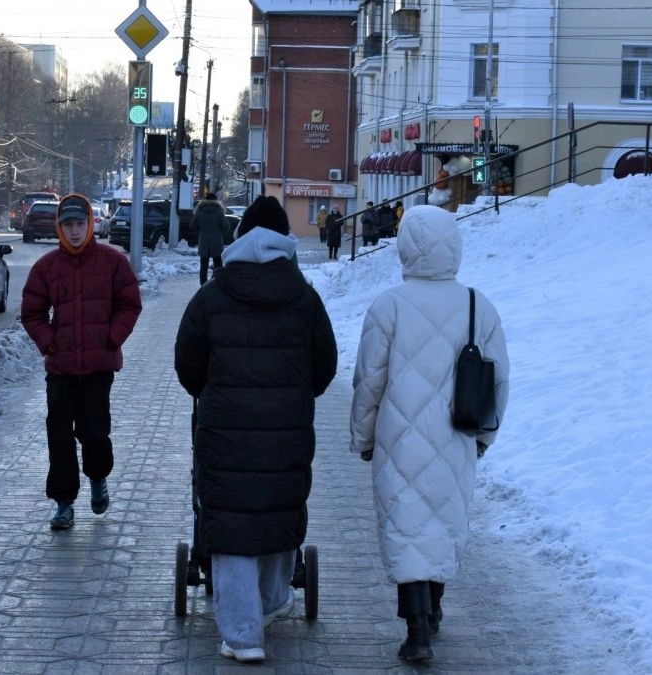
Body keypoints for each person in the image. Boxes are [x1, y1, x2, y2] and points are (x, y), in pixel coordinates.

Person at [175, 195, 337, 664]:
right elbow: (324, 368)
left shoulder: (212, 296)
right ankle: (272, 602)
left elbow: (188, 367)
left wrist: (214, 392)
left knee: (229, 521)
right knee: (276, 509)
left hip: (224, 431)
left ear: (239, 236)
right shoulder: (304, 298)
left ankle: (243, 634)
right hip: (286, 432)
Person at [348, 205, 510, 663]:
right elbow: (498, 380)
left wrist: (363, 436)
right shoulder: (479, 305)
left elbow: (369, 380)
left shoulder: (389, 305)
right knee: (441, 518)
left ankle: (416, 629)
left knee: (406, 523)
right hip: (457, 435)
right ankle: (434, 607)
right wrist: (485, 436)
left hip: (397, 436)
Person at [21, 193, 143, 531]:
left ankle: (98, 476)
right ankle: (63, 503)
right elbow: (31, 312)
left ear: (91, 224)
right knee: (59, 435)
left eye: (80, 224)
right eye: (68, 225)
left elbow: (130, 304)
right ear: (60, 228)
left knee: (94, 433)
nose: (74, 231)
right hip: (60, 368)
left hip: (98, 367)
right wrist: (50, 343)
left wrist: (112, 337)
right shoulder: (46, 267)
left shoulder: (111, 262)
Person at [190, 192, 230, 286]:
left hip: (203, 241)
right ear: (216, 200)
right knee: (218, 264)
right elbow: (227, 226)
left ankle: (203, 284)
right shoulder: (219, 211)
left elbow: (192, 226)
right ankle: (217, 282)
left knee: (204, 265)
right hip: (217, 241)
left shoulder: (199, 211)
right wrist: (220, 232)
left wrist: (201, 230)